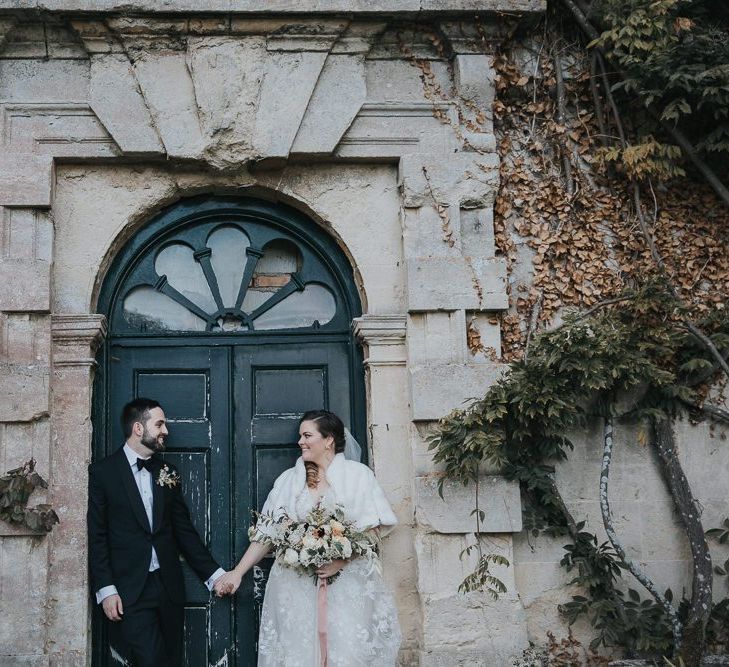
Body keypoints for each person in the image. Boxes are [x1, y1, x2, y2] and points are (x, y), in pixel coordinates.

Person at [215, 409, 402, 666]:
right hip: (296, 585)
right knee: (298, 654)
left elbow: (374, 528)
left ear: (328, 440)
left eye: (307, 435)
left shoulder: (359, 476)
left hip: (347, 584)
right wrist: (238, 572)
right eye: (300, 436)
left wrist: (342, 560)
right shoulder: (289, 481)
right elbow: (267, 534)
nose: (300, 442)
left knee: (347, 652)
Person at [88, 398, 230, 667]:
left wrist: (215, 576)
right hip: (129, 589)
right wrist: (106, 589)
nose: (166, 431)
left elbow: (183, 531)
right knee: (150, 660)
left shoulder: (168, 472)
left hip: (168, 587)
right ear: (139, 428)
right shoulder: (102, 473)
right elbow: (97, 535)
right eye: (160, 424)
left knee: (171, 659)